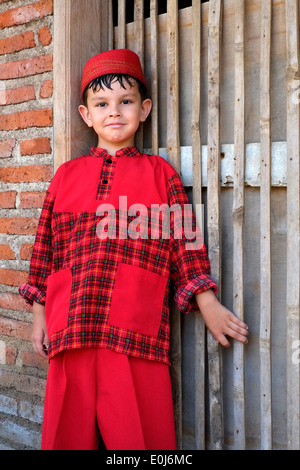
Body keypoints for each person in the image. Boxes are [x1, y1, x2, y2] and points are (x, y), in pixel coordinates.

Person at [19, 49, 248, 451]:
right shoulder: (65, 176)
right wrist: (39, 313)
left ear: (143, 109)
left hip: (134, 332)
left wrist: (207, 301)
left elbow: (185, 242)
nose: (114, 112)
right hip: (70, 325)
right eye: (102, 104)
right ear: (86, 115)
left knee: (141, 440)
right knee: (65, 437)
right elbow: (45, 249)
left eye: (125, 102)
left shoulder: (161, 175)